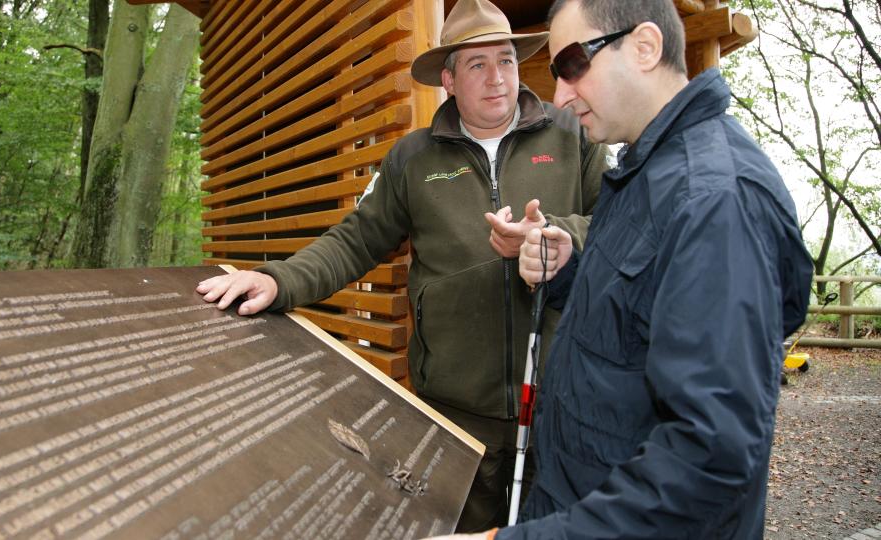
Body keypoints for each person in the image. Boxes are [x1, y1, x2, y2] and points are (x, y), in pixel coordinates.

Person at [196, 0, 609, 532]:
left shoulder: (570, 134)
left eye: (505, 60)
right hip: (456, 415)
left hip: (562, 399)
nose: (497, 79)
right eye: (476, 65)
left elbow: (622, 222)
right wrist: (277, 279)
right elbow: (354, 241)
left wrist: (563, 239)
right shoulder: (412, 159)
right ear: (448, 80)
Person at [429, 0, 813, 538]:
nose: (560, 94)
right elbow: (638, 314)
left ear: (645, 47)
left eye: (571, 66)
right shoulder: (645, 172)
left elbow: (707, 462)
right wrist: (566, 273)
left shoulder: (715, 199)